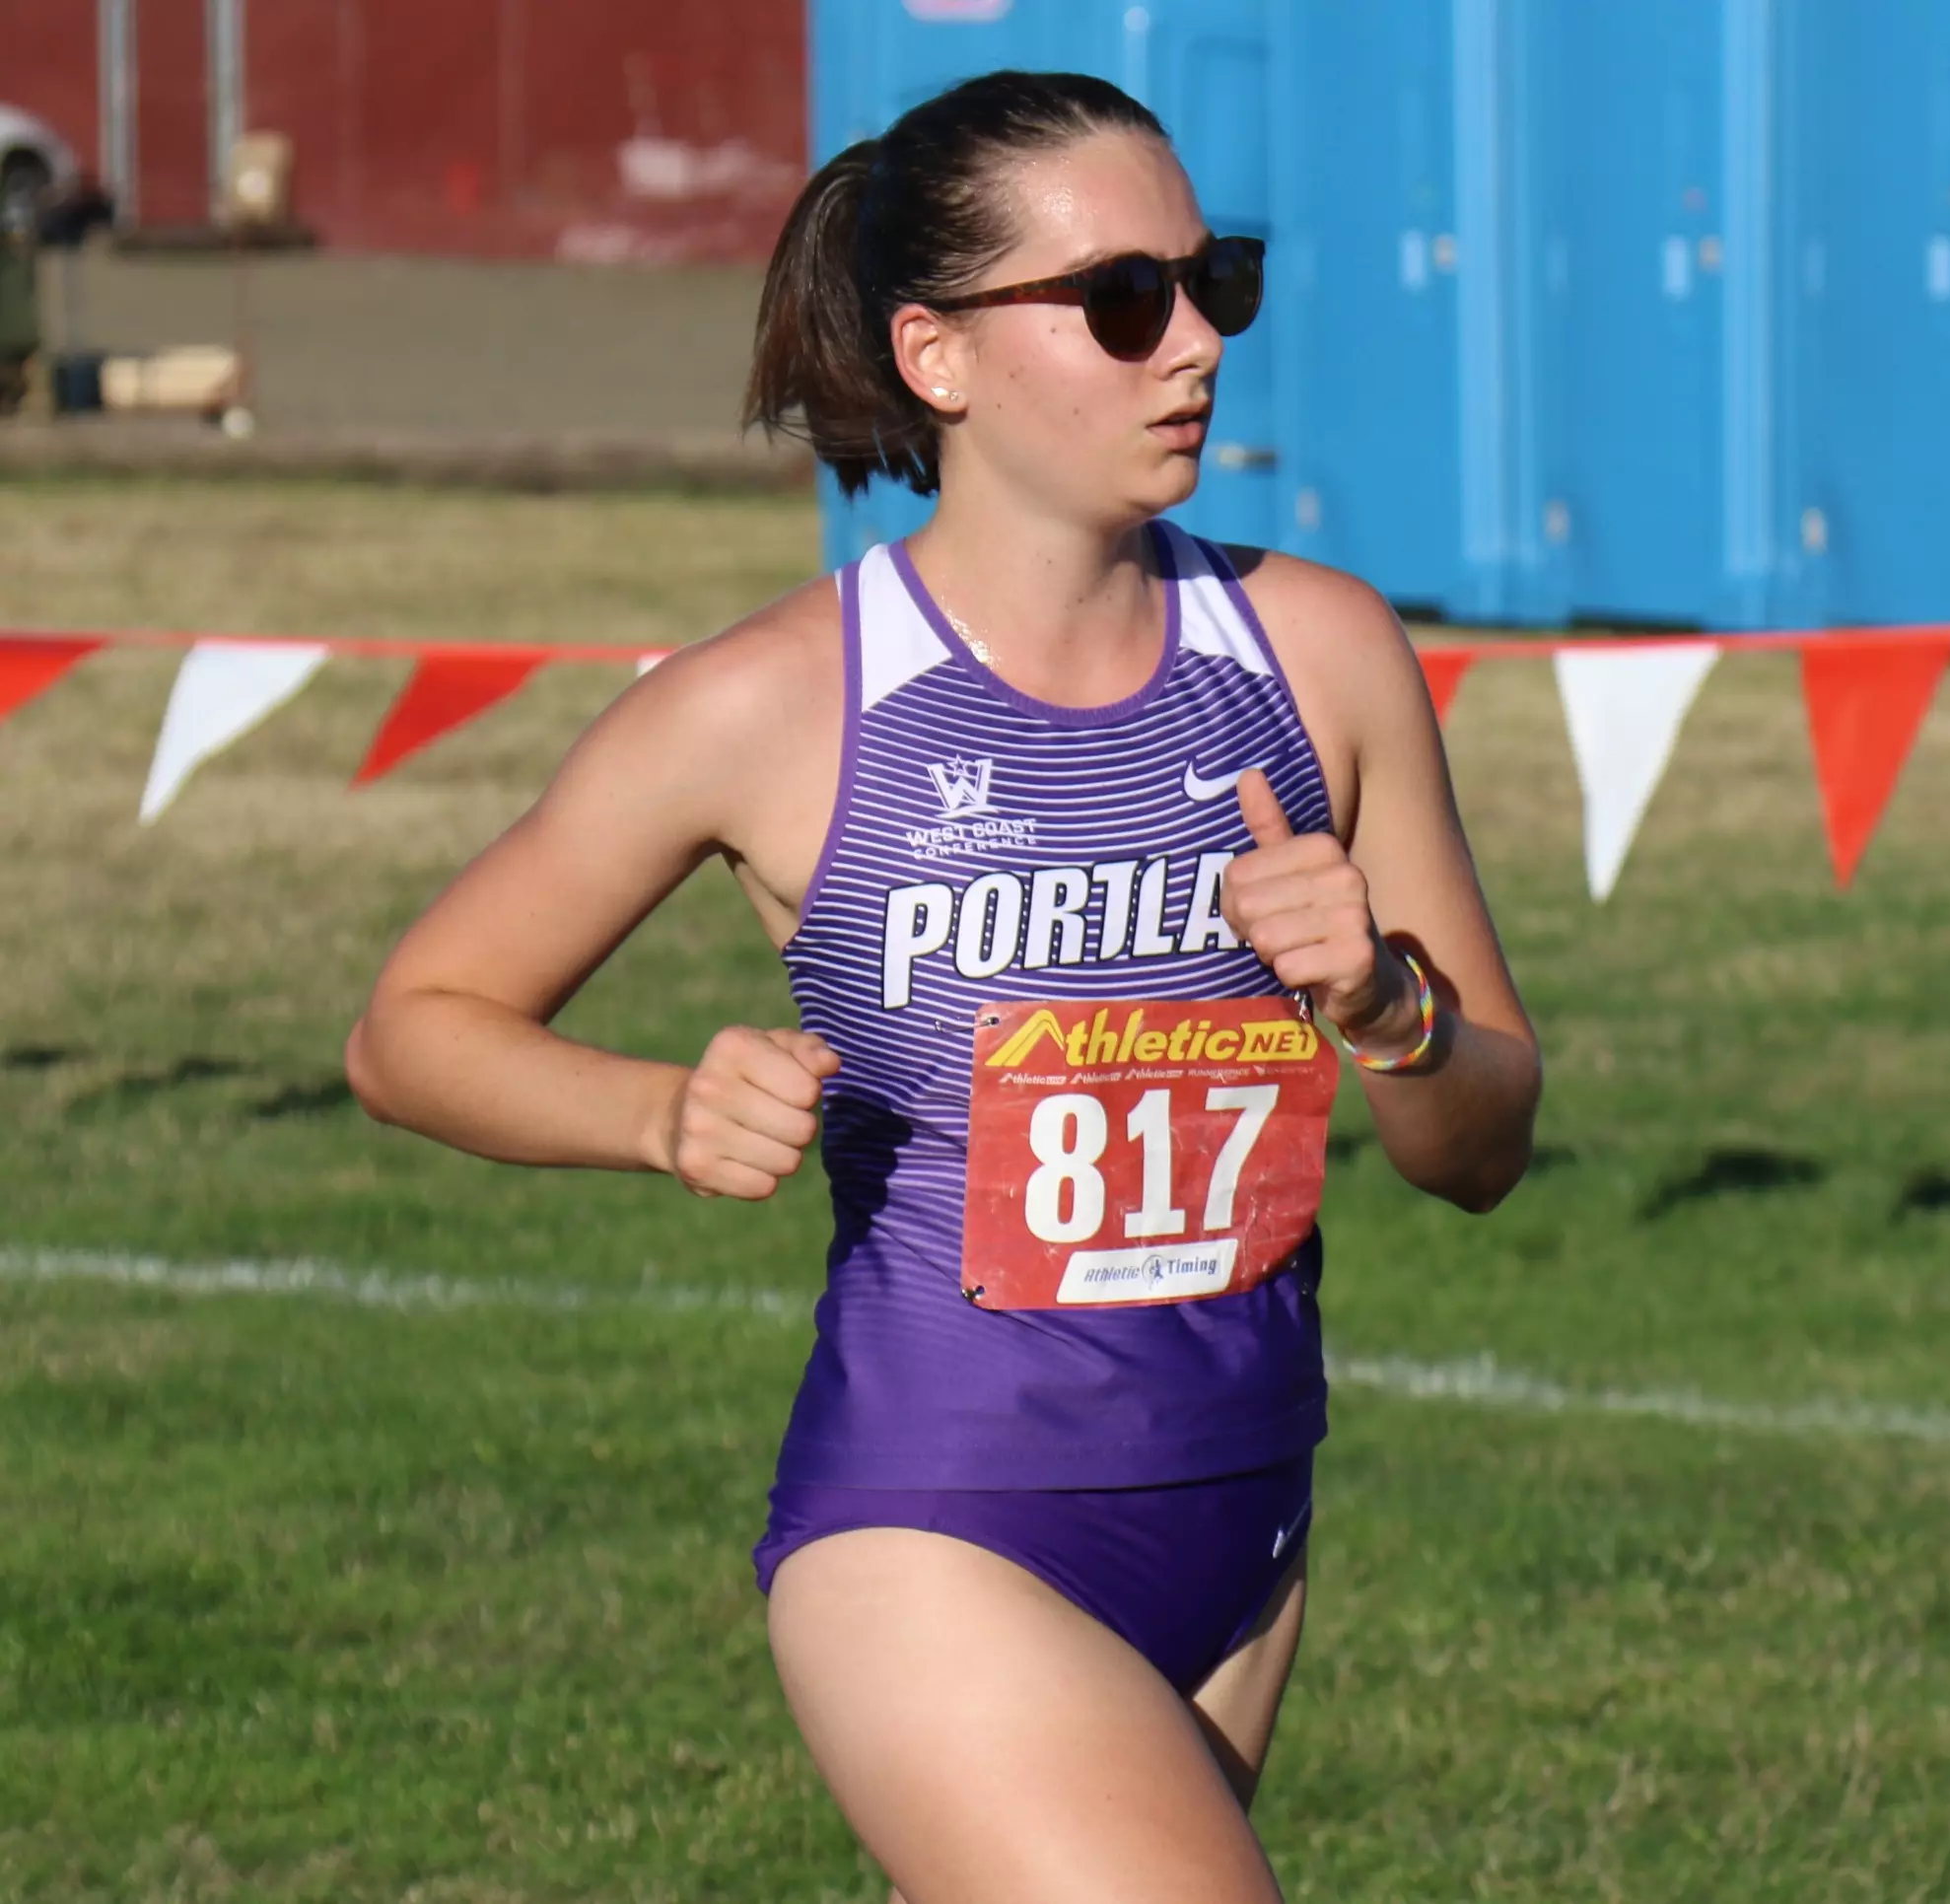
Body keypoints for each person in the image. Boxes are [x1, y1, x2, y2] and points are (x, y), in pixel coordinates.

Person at [345, 68, 1541, 1904]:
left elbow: (1484, 1140)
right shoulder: (773, 703)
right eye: (1124, 299)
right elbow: (415, 1025)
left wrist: (1389, 1010)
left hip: (1242, 1507)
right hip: (937, 1517)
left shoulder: (1320, 649)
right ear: (939, 355)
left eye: (1215, 278)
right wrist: (657, 1113)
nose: (1194, 342)